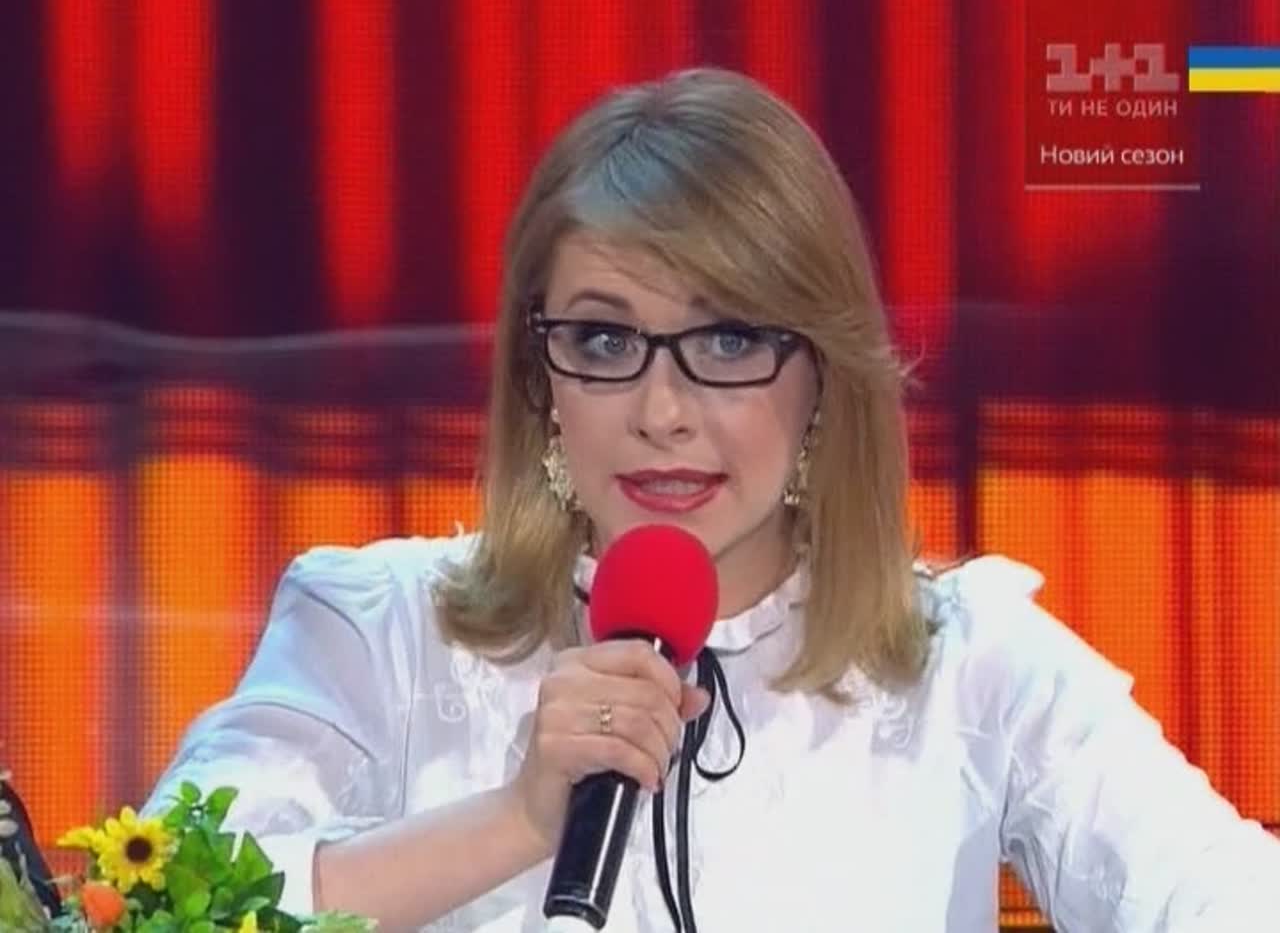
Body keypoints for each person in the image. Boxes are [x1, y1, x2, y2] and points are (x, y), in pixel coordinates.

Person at [143, 68, 1280, 932]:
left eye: (728, 340)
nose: (662, 409)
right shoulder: (377, 630)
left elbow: (1222, 894)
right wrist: (517, 818)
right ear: (542, 380)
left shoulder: (969, 665)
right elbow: (152, 907)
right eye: (604, 340)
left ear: (822, 375)